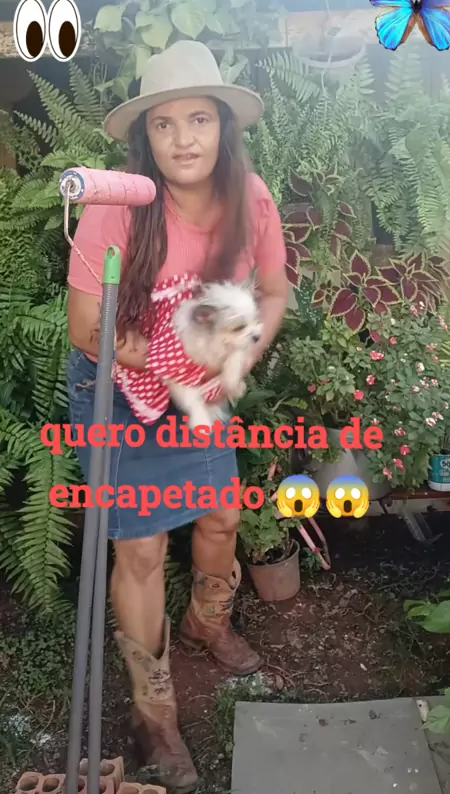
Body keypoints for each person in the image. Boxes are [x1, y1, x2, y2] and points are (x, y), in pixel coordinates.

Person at [66, 39, 289, 793]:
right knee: (141, 548)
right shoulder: (118, 206)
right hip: (118, 387)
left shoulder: (251, 198)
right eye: (164, 124)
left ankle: (206, 623)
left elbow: (274, 293)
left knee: (222, 517)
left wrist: (242, 356)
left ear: (224, 125)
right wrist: (171, 368)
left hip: (197, 383)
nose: (183, 139)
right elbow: (87, 329)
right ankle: (152, 713)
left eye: (199, 119)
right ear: (145, 136)